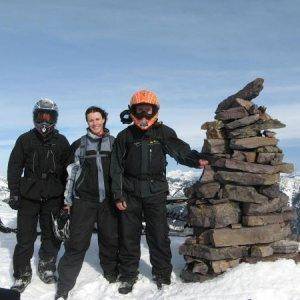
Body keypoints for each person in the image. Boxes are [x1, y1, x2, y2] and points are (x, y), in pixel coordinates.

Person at [110, 90, 210, 294]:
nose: (145, 116)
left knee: (159, 235)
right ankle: (128, 275)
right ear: (133, 112)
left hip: (155, 191)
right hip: (129, 191)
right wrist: (118, 195)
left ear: (155, 111)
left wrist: (195, 160)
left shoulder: (163, 132)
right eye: (140, 110)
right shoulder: (125, 135)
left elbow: (180, 151)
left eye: (149, 111)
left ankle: (162, 273)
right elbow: (115, 167)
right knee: (128, 236)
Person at [7, 99, 70, 293]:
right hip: (28, 195)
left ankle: (47, 265)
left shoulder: (61, 141)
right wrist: (15, 192)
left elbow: (69, 171)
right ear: (35, 117)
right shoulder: (25, 139)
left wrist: (67, 199)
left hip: (53, 195)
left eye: (49, 117)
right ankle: (22, 273)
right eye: (41, 116)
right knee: (25, 237)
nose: (45, 121)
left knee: (51, 235)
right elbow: (15, 167)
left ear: (55, 119)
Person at [56, 106, 119, 300]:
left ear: (104, 119)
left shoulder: (115, 143)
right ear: (87, 122)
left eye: (97, 119)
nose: (94, 123)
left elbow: (121, 173)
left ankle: (111, 273)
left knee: (109, 239)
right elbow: (71, 174)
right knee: (76, 243)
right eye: (91, 120)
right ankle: (64, 286)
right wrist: (67, 201)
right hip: (84, 200)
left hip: (108, 200)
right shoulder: (80, 145)